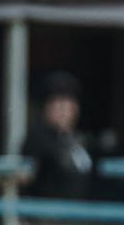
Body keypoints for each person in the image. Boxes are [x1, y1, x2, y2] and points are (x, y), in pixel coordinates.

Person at [20, 72, 94, 201]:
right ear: (46, 108)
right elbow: (24, 182)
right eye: (57, 106)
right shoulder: (37, 140)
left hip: (79, 213)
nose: (63, 112)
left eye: (68, 106)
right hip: (47, 215)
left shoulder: (78, 139)